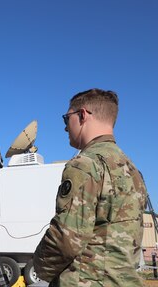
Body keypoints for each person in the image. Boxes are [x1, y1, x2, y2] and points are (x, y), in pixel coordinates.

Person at [33, 89, 147, 286]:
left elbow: (66, 240)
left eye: (66, 119)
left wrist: (39, 266)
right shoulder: (133, 170)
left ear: (82, 115)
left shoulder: (85, 164)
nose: (66, 128)